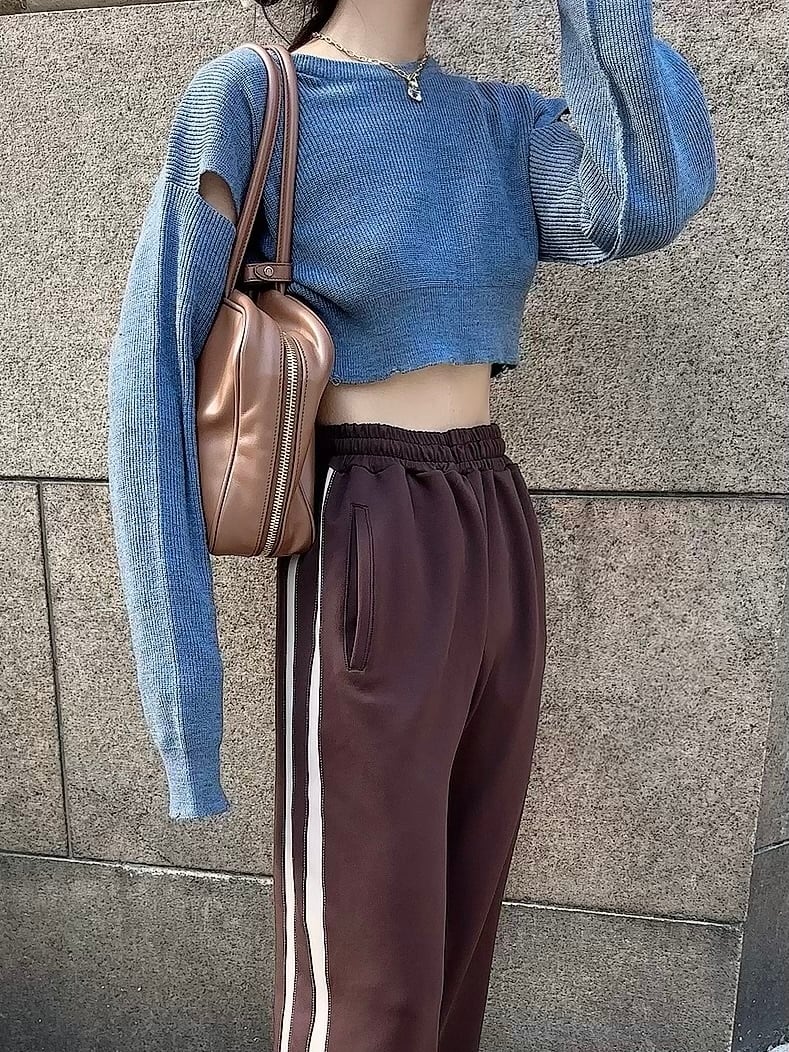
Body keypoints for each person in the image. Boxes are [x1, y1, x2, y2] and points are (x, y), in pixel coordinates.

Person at [106, 0, 717, 1049]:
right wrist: (184, 709)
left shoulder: (500, 123)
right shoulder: (257, 98)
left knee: (453, 956)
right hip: (367, 526)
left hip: (494, 519)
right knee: (367, 983)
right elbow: (150, 375)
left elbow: (643, 202)